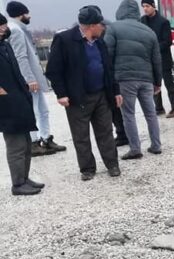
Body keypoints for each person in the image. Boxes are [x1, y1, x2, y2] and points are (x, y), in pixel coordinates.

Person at [45, 6, 121, 181]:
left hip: (101, 94)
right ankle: (87, 168)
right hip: (78, 97)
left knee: (106, 132)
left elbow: (109, 68)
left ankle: (112, 164)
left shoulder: (99, 41)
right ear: (91, 25)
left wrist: (115, 91)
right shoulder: (64, 40)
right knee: (81, 136)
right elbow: (53, 70)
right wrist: (61, 93)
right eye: (100, 24)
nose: (103, 27)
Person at [5, 1, 65, 157]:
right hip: (29, 80)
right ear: (20, 14)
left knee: (43, 110)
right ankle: (34, 143)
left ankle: (45, 138)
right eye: (27, 13)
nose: (29, 15)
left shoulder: (18, 29)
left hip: (31, 78)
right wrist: (29, 79)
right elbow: (21, 57)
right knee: (34, 111)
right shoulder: (16, 31)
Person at [105, 0, 163, 159]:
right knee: (151, 113)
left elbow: (107, 56)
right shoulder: (149, 31)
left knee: (128, 114)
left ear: (120, 11)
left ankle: (135, 148)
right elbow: (156, 59)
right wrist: (158, 82)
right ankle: (156, 145)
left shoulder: (113, 28)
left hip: (125, 79)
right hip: (146, 79)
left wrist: (109, 81)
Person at [0, 13, 43, 195]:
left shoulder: (5, 45)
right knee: (16, 146)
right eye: (0, 26)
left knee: (25, 142)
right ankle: (18, 184)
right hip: (6, 104)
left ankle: (24, 178)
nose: (4, 28)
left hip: (19, 98)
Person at [140, 0, 174, 118]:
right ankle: (159, 108)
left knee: (169, 84)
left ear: (153, 6)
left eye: (147, 6)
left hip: (163, 58)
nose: (145, 9)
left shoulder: (163, 22)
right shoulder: (142, 21)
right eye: (143, 7)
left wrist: (154, 48)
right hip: (149, 60)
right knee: (153, 84)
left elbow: (168, 41)